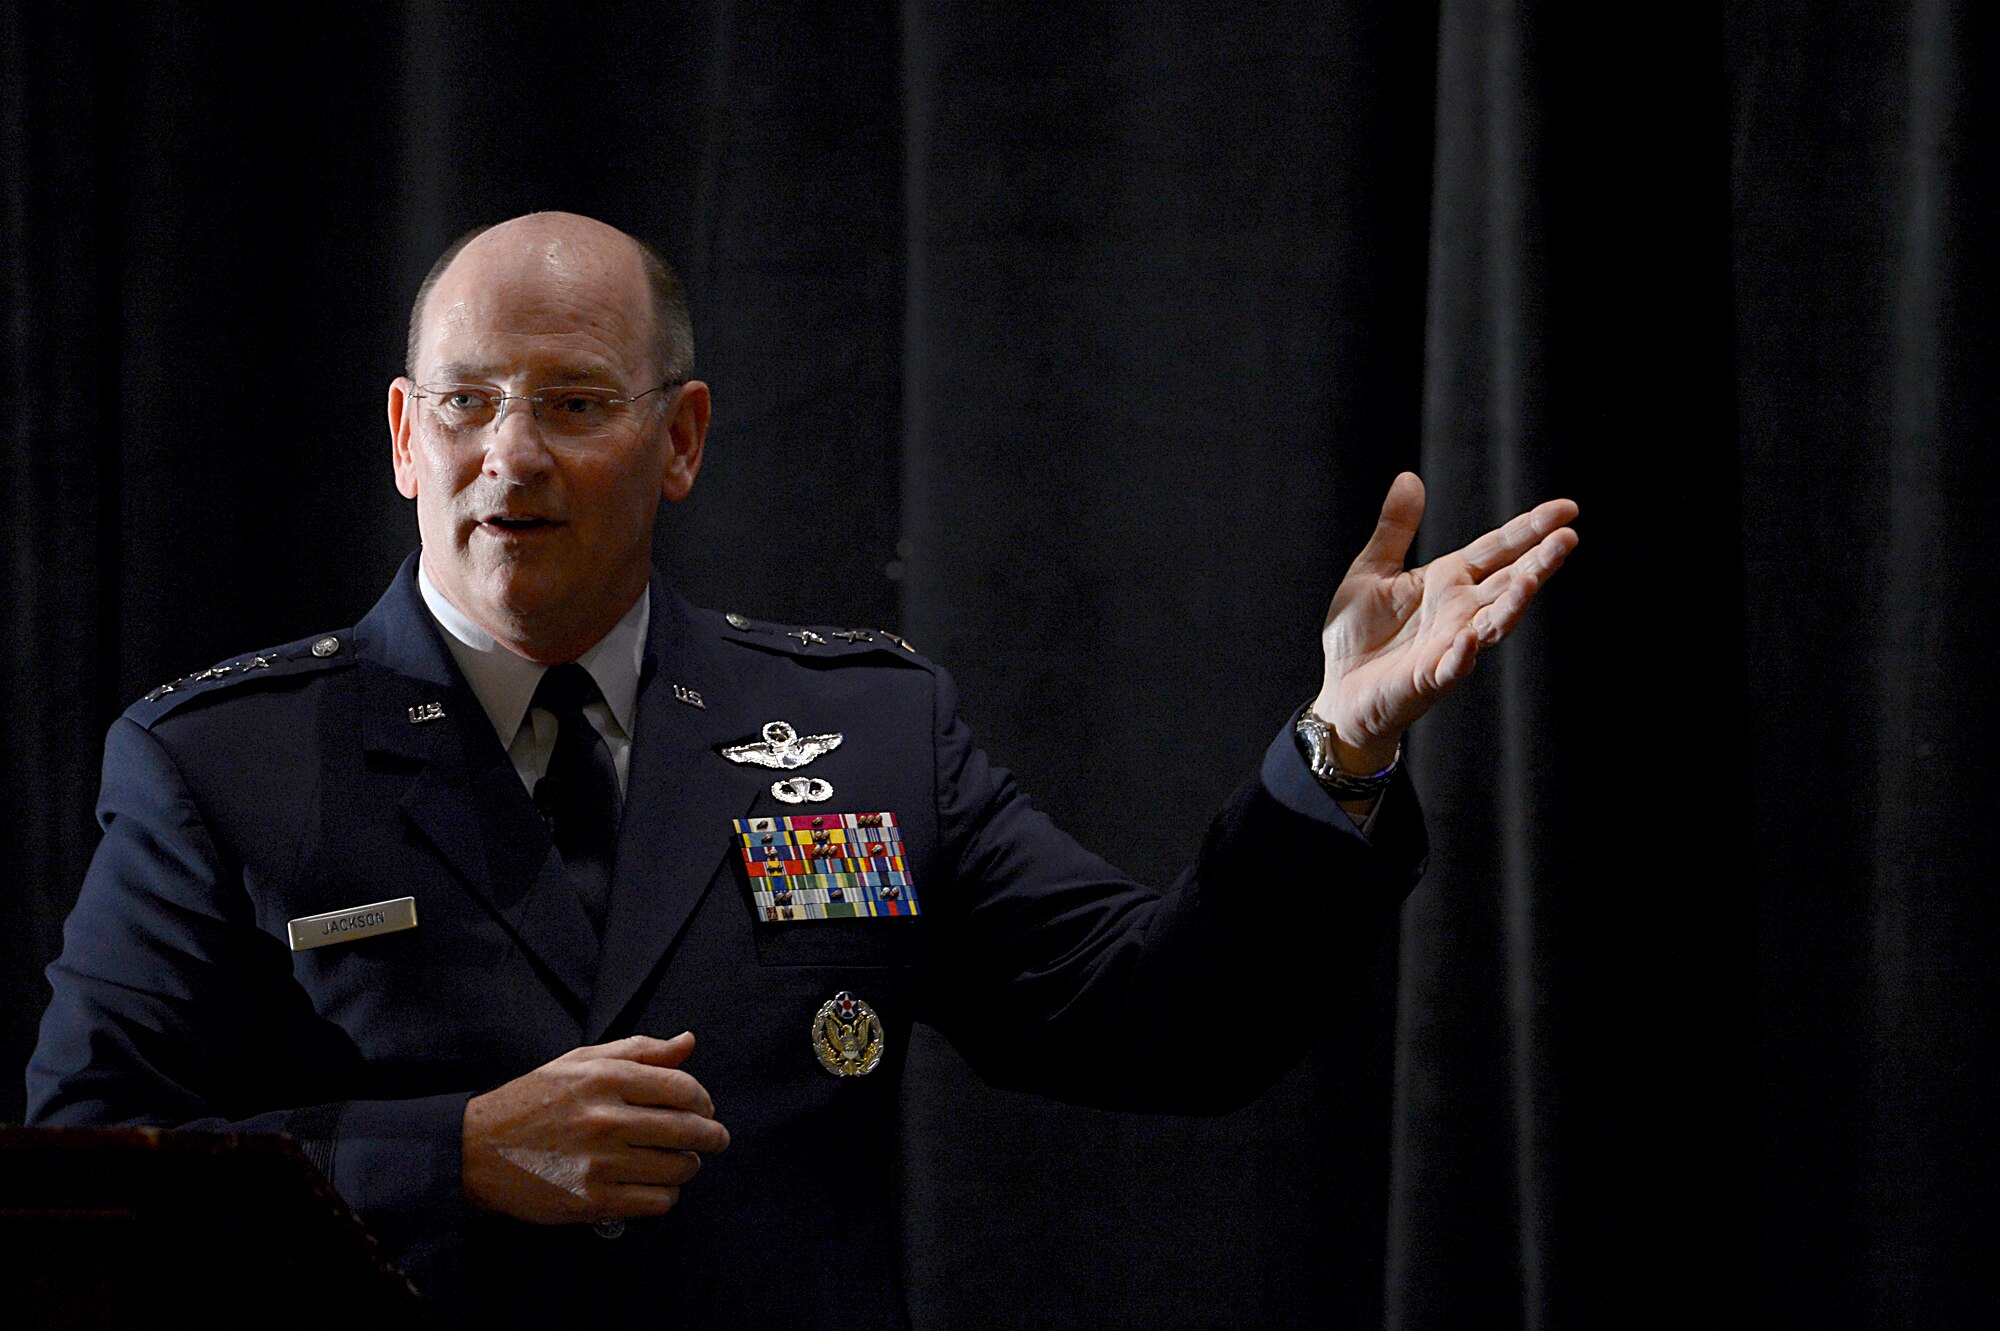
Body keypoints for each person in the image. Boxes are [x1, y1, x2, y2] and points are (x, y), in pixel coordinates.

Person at [26, 213, 1577, 1325]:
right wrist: (453, 1161)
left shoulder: (866, 734)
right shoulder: (219, 763)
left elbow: (1167, 1023)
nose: (513, 456)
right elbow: (81, 1189)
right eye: (469, 403)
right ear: (402, 439)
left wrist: (1341, 746)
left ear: (682, 440)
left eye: (575, 403)